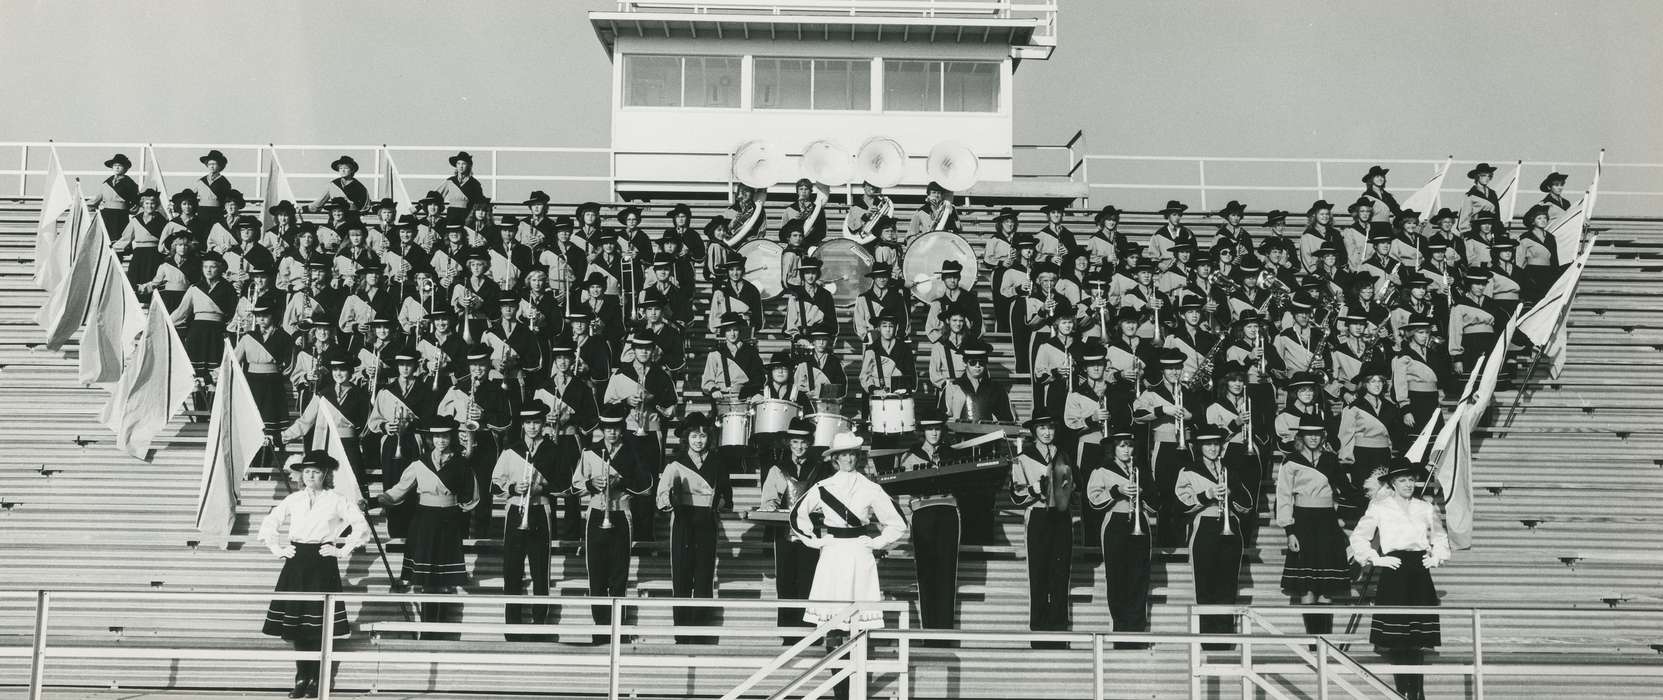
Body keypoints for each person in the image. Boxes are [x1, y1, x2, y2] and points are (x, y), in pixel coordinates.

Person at [257, 452, 369, 698]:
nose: (310, 476)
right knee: (297, 624)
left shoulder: (336, 499)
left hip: (322, 563)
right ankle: (301, 677)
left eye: (316, 472)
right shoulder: (293, 499)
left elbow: (361, 526)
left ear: (326, 474)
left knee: (319, 625)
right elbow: (269, 524)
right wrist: (279, 549)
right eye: (306, 472)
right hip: (297, 563)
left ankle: (317, 679)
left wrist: (340, 550)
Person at [1350, 460, 1450, 700]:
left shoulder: (1425, 507)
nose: (1408, 484)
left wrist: (1436, 557)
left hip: (1419, 571)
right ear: (1393, 483)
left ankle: (1416, 691)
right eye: (1402, 480)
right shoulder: (1380, 507)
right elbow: (1359, 537)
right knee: (1398, 640)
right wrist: (1376, 558)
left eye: (1411, 479)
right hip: (1394, 570)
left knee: (1416, 640)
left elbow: (1441, 537)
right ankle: (1402, 690)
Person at [792, 429, 907, 634]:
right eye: (844, 454)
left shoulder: (870, 488)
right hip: (833, 552)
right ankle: (836, 664)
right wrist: (816, 541)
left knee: (858, 616)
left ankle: (856, 662)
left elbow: (898, 523)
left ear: (858, 456)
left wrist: (876, 542)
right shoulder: (823, 487)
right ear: (835, 458)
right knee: (832, 614)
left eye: (853, 453)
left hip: (859, 552)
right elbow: (796, 515)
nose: (849, 459)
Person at [377, 417, 479, 637]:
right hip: (424, 523)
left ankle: (441, 630)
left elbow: (472, 496)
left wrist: (457, 509)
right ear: (430, 439)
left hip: (449, 523)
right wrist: (381, 498)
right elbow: (399, 490)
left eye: (444, 436)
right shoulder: (419, 463)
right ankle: (427, 629)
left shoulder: (462, 463)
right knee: (426, 581)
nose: (440, 440)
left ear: (451, 437)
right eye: (436, 436)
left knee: (444, 582)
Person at [572, 408, 654, 643]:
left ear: (621, 429)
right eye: (608, 429)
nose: (612, 433)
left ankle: (618, 631)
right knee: (596, 576)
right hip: (597, 514)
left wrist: (623, 482)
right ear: (602, 430)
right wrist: (591, 483)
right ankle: (600, 631)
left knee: (619, 576)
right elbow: (575, 485)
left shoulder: (633, 451)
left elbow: (646, 485)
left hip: (621, 515)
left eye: (616, 428)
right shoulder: (590, 452)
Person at [656, 412, 733, 643]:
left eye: (702, 436)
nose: (699, 440)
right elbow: (661, 497)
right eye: (694, 436)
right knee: (681, 578)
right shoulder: (675, 464)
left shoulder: (718, 463)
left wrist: (719, 502)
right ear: (686, 438)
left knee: (703, 578)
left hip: (707, 523)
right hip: (682, 522)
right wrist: (672, 499)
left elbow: (727, 497)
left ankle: (701, 633)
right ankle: (681, 633)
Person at [1276, 422, 1359, 636]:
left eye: (1317, 434)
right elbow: (1283, 497)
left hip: (1327, 523)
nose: (1313, 438)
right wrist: (1289, 531)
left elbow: (1346, 489)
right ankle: (1313, 639)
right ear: (1301, 436)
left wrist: (1373, 495)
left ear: (1323, 436)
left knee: (1326, 584)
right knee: (1308, 586)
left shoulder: (1331, 459)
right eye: (1308, 434)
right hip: (1303, 523)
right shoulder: (1291, 461)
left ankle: (1324, 637)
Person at [1175, 429, 1251, 649]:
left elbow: (1247, 505)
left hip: (1230, 527)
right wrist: (1206, 495)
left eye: (1216, 444)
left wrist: (1231, 492)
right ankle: (1208, 642)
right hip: (1205, 526)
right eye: (1207, 444)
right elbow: (1180, 505)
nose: (1212, 448)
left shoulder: (1230, 471)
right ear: (1200, 447)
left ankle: (1225, 641)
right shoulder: (1188, 470)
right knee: (1205, 585)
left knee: (1228, 585)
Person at [491, 406, 563, 640]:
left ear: (544, 424)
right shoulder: (511, 450)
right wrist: (513, 487)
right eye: (529, 422)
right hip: (515, 510)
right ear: (522, 425)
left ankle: (539, 626)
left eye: (537, 422)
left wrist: (542, 487)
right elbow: (494, 484)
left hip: (540, 509)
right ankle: (512, 627)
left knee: (540, 570)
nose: (533, 427)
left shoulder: (553, 450)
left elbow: (564, 483)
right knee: (511, 570)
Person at [896, 410, 964, 639]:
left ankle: (944, 632)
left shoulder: (952, 454)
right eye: (929, 429)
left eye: (937, 428)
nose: (934, 433)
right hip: (923, 513)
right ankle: (929, 632)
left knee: (947, 571)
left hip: (948, 513)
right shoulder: (909, 457)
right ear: (922, 431)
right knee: (926, 572)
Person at [1010, 408, 1075, 648]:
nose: (1047, 433)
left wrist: (1064, 487)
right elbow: (1016, 495)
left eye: (1051, 428)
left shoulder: (1063, 454)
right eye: (1042, 428)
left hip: (1061, 515)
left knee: (1060, 574)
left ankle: (1059, 634)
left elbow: (1072, 486)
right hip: (1037, 515)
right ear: (1034, 431)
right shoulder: (1023, 457)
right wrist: (1036, 488)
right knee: (1038, 574)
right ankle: (1038, 633)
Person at [1085, 429, 1154, 648]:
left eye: (1130, 445)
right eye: (1122, 445)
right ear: (1113, 448)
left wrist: (1143, 493)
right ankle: (1121, 633)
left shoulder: (1140, 469)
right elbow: (1093, 500)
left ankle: (1137, 632)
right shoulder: (1102, 470)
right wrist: (1117, 491)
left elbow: (1155, 501)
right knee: (1117, 578)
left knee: (1139, 577)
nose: (1126, 450)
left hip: (1140, 521)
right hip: (1115, 522)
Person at [760, 418, 826, 634]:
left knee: (809, 581)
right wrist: (771, 507)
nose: (799, 447)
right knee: (786, 583)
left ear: (810, 443)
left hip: (811, 534)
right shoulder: (777, 469)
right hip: (784, 534)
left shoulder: (820, 468)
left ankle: (809, 633)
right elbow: (769, 500)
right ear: (789, 443)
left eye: (804, 442)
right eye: (795, 442)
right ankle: (788, 634)